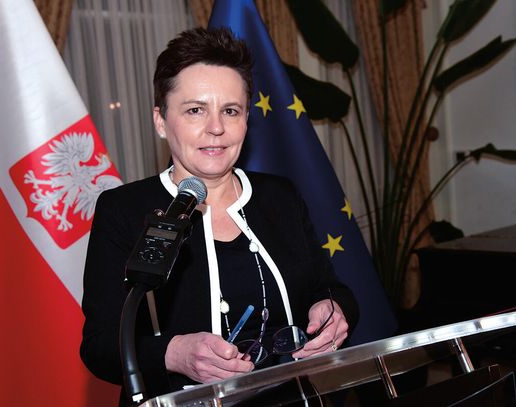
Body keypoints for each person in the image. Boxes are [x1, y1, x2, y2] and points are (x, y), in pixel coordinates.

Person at [80, 27, 359, 405]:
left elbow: (330, 288)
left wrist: (334, 311)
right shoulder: (123, 210)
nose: (216, 128)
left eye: (230, 110)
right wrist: (173, 353)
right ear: (160, 120)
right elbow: (99, 345)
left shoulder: (280, 196)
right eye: (195, 110)